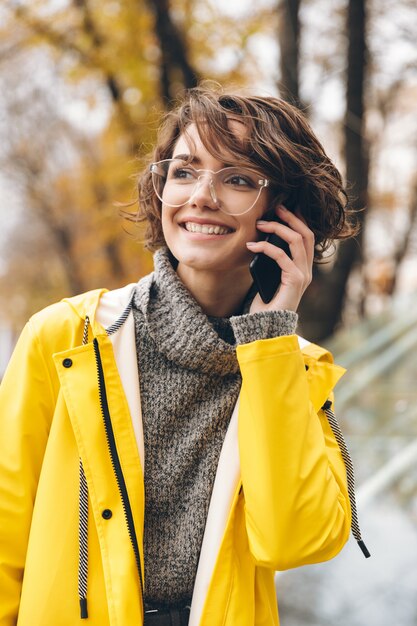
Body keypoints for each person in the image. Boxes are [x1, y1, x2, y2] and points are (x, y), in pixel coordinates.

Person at [0, 86, 369, 626]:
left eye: (239, 179)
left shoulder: (295, 367)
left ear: (285, 214)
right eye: (184, 171)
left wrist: (269, 340)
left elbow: (294, 540)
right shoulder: (66, 337)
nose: (202, 196)